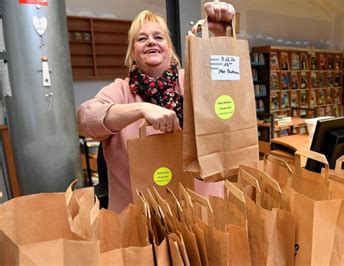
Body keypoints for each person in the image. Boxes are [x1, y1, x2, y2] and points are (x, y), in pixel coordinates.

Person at [77, 2, 235, 213]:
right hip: (141, 219)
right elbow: (86, 119)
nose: (151, 41)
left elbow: (230, 95)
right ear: (133, 52)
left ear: (169, 48)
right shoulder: (121, 90)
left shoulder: (194, 80)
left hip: (203, 211)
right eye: (142, 38)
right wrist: (141, 109)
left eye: (158, 37)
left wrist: (222, 38)